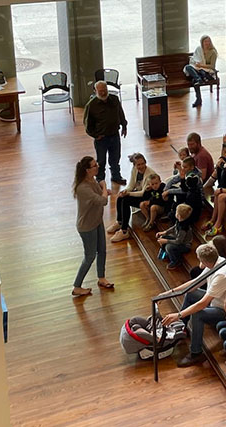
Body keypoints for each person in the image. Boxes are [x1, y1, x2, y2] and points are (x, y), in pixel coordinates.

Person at [161, 243, 226, 367]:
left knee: (198, 314)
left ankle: (196, 353)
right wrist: (170, 293)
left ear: (203, 260)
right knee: (191, 295)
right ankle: (182, 327)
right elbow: (195, 283)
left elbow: (203, 304)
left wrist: (177, 314)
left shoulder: (222, 274)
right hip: (217, 301)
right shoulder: (215, 263)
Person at [71, 156, 115, 297]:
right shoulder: (82, 187)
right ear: (87, 170)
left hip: (96, 221)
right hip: (87, 226)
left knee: (102, 250)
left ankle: (101, 277)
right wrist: (104, 187)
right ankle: (77, 286)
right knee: (89, 256)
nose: (98, 167)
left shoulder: (91, 181)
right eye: (94, 165)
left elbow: (100, 196)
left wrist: (103, 191)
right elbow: (102, 201)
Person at [84, 81, 128, 187]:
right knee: (101, 161)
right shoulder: (91, 105)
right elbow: (87, 124)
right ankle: (100, 180)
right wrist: (95, 135)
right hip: (101, 138)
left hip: (114, 135)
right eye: (100, 91)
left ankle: (116, 176)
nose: (103, 93)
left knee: (115, 158)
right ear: (95, 91)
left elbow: (120, 113)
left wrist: (124, 125)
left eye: (105, 90)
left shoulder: (115, 99)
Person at [108, 153, 160, 242]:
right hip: (139, 193)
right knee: (120, 198)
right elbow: (131, 185)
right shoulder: (135, 170)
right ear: (134, 165)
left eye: (142, 163)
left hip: (147, 196)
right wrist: (125, 191)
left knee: (126, 201)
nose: (141, 166)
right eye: (138, 164)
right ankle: (120, 222)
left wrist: (128, 194)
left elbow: (143, 193)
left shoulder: (150, 174)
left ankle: (124, 231)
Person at [184, 35, 219, 108]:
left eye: (208, 41)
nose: (207, 43)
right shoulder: (199, 49)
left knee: (194, 80)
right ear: (202, 42)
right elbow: (195, 59)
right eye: (205, 41)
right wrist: (197, 64)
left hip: (207, 73)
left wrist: (202, 66)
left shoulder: (213, 52)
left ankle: (198, 100)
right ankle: (198, 80)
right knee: (188, 67)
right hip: (199, 71)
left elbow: (212, 66)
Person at [156, 203, 194, 269]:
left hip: (184, 245)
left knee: (169, 246)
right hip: (177, 239)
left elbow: (179, 241)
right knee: (163, 238)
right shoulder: (179, 221)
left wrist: (166, 241)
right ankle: (166, 254)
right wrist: (165, 232)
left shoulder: (184, 228)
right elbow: (174, 227)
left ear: (178, 215)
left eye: (176, 211)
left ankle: (175, 261)